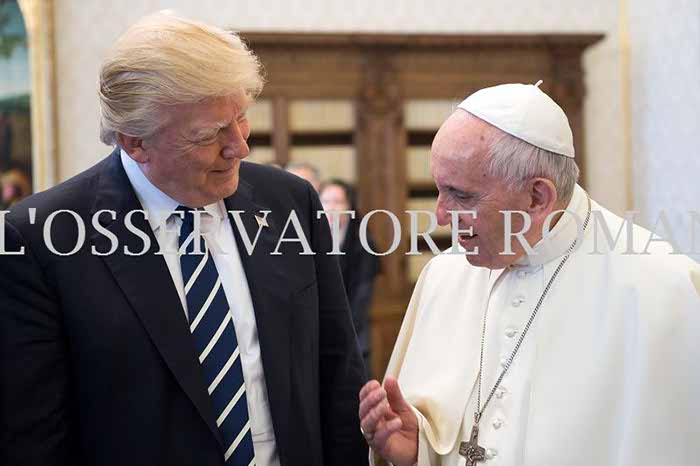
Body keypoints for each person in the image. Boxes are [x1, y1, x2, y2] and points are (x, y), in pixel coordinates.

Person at [0, 12, 367, 466]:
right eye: (210, 134)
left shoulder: (289, 201)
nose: (240, 146)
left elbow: (337, 373)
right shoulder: (41, 238)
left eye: (240, 118)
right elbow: (36, 438)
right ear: (135, 142)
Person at [359, 82, 700, 466]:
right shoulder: (443, 276)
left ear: (538, 197)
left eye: (461, 195)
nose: (440, 216)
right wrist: (416, 450)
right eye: (439, 190)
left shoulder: (665, 291)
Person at [320, 179, 379, 375]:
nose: (331, 207)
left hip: (353, 330)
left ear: (349, 206)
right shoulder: (311, 239)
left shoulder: (363, 242)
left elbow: (361, 297)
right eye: (326, 201)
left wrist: (340, 331)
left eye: (338, 202)